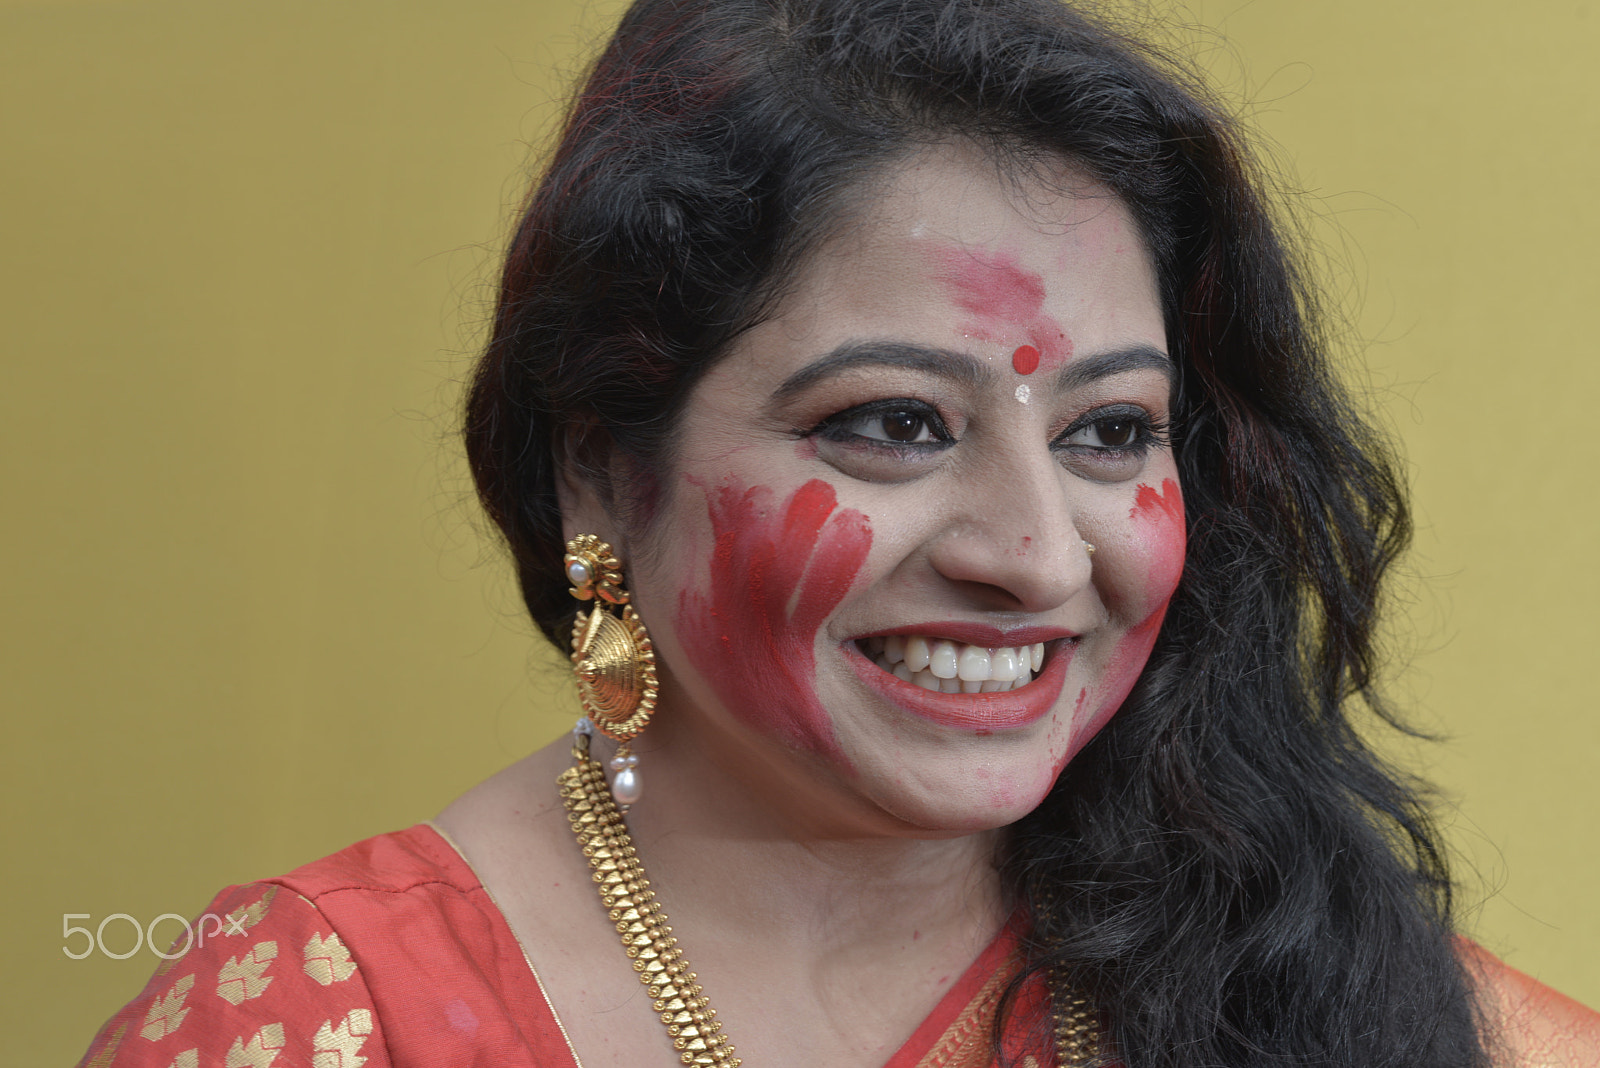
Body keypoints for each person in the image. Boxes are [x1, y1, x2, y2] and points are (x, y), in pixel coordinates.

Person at [76, 0, 1600, 1066]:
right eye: (894, 424)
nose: (1038, 553)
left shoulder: (1300, 972)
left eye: (1110, 434)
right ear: (599, 470)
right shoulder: (334, 1017)